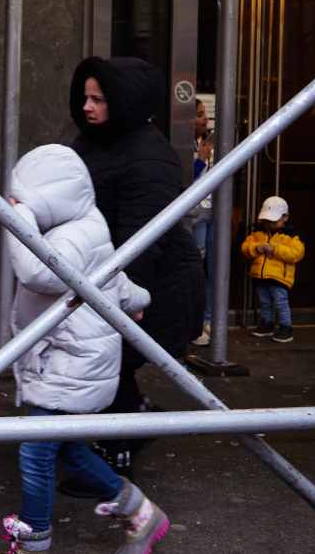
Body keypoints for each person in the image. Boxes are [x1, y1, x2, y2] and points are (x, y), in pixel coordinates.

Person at [0, 145, 165, 554]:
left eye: (22, 197)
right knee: (70, 450)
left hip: (70, 363)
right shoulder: (86, 225)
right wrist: (139, 299)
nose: (15, 203)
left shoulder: (70, 236)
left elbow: (40, 273)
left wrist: (16, 220)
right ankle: (141, 514)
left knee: (36, 454)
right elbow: (116, 280)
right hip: (70, 360)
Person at [67, 56, 205, 482]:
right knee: (109, 364)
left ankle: (117, 453)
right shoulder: (93, 143)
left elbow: (143, 238)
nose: (88, 107)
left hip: (153, 285)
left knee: (113, 361)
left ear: (123, 101)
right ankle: (127, 428)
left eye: (99, 99)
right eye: (85, 97)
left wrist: (130, 296)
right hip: (108, 275)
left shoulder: (150, 156)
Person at [241, 196, 305, 343]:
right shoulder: (257, 233)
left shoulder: (290, 236)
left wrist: (274, 249)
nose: (270, 224)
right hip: (261, 276)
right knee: (264, 302)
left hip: (279, 278)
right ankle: (267, 324)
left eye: (273, 221)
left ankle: (285, 327)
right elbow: (245, 248)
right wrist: (257, 248)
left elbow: (297, 253)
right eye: (267, 221)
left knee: (280, 303)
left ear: (285, 217)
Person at [190, 98, 215, 346]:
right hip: (195, 214)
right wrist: (199, 160)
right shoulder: (184, 143)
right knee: (196, 266)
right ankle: (195, 322)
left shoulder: (208, 143)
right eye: (200, 115)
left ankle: (208, 319)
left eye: (205, 115)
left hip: (213, 211)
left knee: (212, 269)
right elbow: (184, 180)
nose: (205, 120)